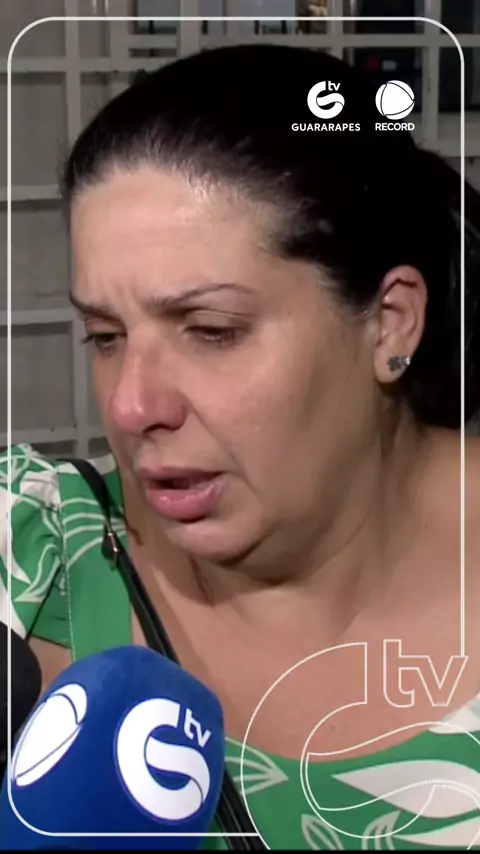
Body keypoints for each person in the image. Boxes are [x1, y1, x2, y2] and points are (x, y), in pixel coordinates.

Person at [2, 43, 480, 850]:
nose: (131, 405)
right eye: (106, 335)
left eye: (211, 330)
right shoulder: (30, 549)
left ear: (390, 323)